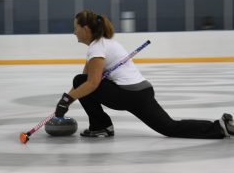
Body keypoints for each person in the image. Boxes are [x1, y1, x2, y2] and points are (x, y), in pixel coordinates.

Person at [54, 9, 234, 139]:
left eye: (76, 27)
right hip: (142, 92)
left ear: (86, 29)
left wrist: (66, 100)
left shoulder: (97, 48)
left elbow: (90, 84)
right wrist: (67, 98)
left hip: (129, 95)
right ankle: (219, 127)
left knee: (80, 81)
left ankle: (101, 126)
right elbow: (85, 80)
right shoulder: (103, 44)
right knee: (169, 127)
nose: (74, 31)